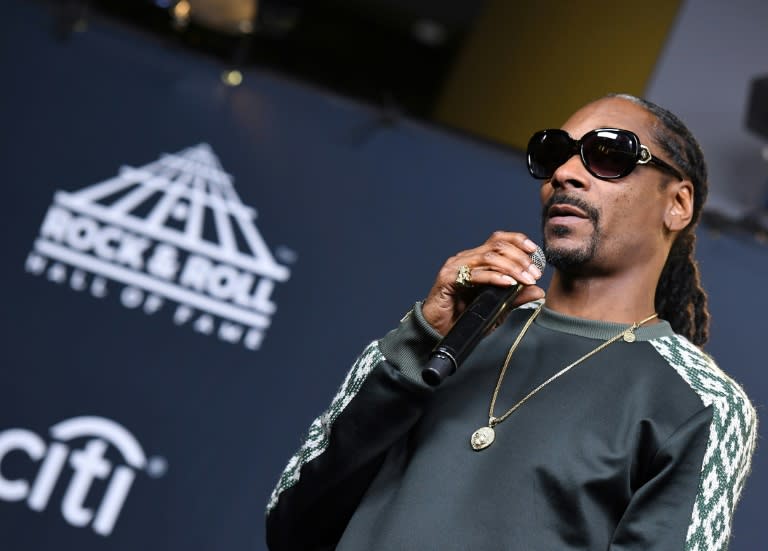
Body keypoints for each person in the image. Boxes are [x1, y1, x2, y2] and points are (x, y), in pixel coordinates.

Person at [265, 94, 758, 550]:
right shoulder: (453, 332)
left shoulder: (703, 404)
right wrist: (420, 339)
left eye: (608, 155)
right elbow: (290, 522)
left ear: (678, 204)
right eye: (554, 154)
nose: (565, 172)